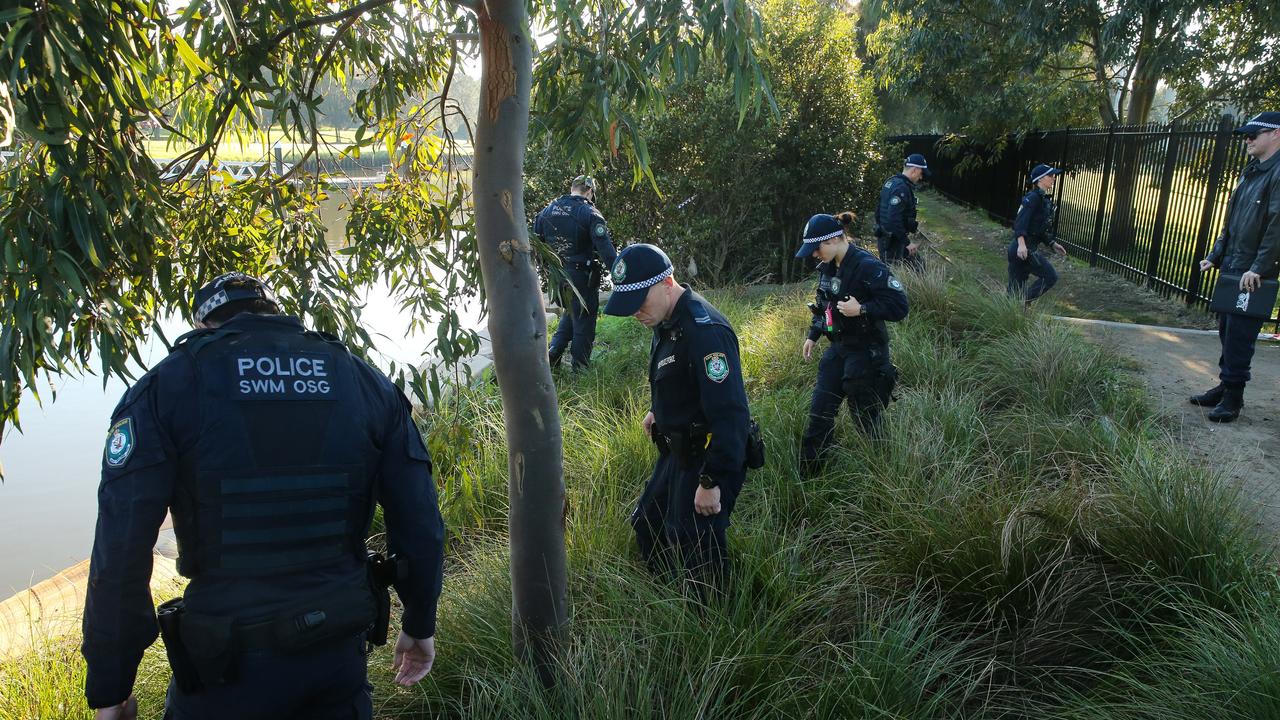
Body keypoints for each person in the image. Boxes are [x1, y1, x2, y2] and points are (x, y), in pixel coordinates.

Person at [82, 272, 445, 720]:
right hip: (336, 658)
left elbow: (120, 551)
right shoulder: (362, 380)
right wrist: (419, 622)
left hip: (223, 674)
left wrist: (110, 686)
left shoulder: (170, 386)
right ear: (273, 312)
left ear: (204, 324)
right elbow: (420, 522)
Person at [601, 244, 750, 586]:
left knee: (696, 545)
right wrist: (658, 410)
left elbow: (732, 415)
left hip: (709, 455)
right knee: (648, 524)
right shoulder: (666, 320)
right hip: (677, 449)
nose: (636, 311)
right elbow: (682, 378)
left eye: (640, 300)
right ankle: (667, 595)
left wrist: (711, 482)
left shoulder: (705, 330)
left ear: (667, 282)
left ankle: (711, 617)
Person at [798, 213, 909, 474]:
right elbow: (823, 304)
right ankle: (809, 477)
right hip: (839, 348)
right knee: (819, 413)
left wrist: (862, 309)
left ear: (836, 238)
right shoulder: (828, 267)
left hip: (867, 352)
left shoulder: (868, 266)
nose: (815, 255)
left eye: (818, 248)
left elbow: (899, 306)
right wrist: (813, 335)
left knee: (866, 417)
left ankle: (886, 472)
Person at [1190, 111, 1280, 423]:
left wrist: (1259, 267)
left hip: (1252, 273)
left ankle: (1233, 398)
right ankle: (1225, 385)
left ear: (1275, 135)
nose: (1247, 140)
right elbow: (1232, 222)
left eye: (1253, 134)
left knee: (1240, 335)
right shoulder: (1251, 172)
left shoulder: (1278, 173)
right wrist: (1216, 254)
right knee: (1226, 329)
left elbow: (1276, 226)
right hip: (1233, 264)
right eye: (1246, 135)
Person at [534, 175, 618, 370]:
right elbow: (606, 250)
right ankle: (580, 369)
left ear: (572, 188)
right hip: (581, 277)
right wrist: (620, 276)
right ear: (589, 191)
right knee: (584, 322)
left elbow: (535, 244)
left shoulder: (547, 211)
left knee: (571, 314)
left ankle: (553, 354)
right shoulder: (589, 212)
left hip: (556, 278)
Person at [1007, 163, 1067, 305]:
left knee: (1015, 291)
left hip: (1028, 249)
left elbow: (1037, 229)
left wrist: (1052, 243)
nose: (1054, 178)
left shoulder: (1042, 199)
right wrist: (1021, 245)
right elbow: (1020, 223)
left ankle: (1017, 307)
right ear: (1040, 179)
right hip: (1021, 250)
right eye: (1050, 176)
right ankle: (1022, 303)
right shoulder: (1032, 198)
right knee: (1050, 276)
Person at [875, 153, 927, 268]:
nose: (921, 177)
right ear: (914, 170)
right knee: (897, 275)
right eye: (921, 173)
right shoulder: (901, 188)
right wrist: (906, 243)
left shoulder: (891, 182)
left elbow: (878, 211)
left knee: (919, 266)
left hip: (888, 238)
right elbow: (893, 218)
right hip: (892, 242)